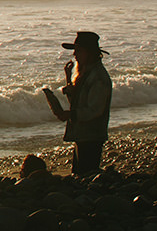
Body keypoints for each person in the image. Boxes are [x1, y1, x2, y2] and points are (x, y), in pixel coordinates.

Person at [41, 30, 112, 175]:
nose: (75, 55)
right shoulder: (88, 73)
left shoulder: (98, 77)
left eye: (78, 51)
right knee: (80, 174)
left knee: (86, 174)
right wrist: (69, 79)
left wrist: (69, 115)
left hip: (92, 135)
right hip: (84, 134)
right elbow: (79, 102)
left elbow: (94, 110)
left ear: (89, 53)